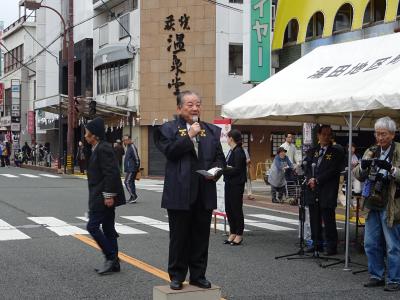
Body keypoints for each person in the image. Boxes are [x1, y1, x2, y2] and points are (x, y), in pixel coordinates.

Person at [154, 90, 226, 290]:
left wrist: (216, 171)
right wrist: (189, 136)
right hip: (179, 192)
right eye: (190, 104)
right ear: (179, 108)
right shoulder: (167, 129)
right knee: (179, 237)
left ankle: (198, 275)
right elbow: (170, 152)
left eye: (197, 104)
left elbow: (220, 158)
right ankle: (177, 275)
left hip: (204, 191)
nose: (195, 108)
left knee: (201, 237)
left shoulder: (211, 131)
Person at [354, 117, 400, 292]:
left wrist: (391, 170)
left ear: (392, 134)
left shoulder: (399, 151)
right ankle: (376, 275)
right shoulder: (371, 150)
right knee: (371, 243)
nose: (380, 138)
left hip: (391, 204)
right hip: (372, 202)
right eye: (377, 134)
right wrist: (364, 166)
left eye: (383, 134)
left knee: (393, 245)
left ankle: (395, 279)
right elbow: (357, 173)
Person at [84, 117, 126, 275]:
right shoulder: (97, 148)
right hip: (102, 194)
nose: (85, 136)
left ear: (94, 135)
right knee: (108, 228)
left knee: (92, 227)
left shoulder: (103, 148)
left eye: (87, 133)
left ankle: (111, 257)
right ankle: (114, 263)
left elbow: (111, 173)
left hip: (103, 196)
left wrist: (108, 195)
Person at [304, 125, 344, 256]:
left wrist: (317, 180)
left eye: (328, 135)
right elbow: (308, 167)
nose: (326, 137)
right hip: (313, 189)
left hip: (327, 190)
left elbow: (333, 170)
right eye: (323, 134)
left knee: (328, 219)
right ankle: (316, 244)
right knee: (314, 218)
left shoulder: (336, 152)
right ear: (318, 136)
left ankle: (332, 246)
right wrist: (310, 179)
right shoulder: (313, 151)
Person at [223, 129, 247, 246]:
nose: (226, 139)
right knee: (229, 208)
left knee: (236, 209)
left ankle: (239, 234)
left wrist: (223, 169)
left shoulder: (239, 151)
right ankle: (232, 232)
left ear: (231, 138)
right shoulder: (231, 151)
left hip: (237, 184)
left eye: (227, 137)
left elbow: (237, 169)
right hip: (229, 182)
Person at [122, 135, 140, 204]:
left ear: (129, 139)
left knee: (127, 182)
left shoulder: (132, 147)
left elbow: (136, 158)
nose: (124, 141)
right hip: (130, 168)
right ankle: (132, 197)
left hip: (132, 168)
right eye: (123, 140)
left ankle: (134, 196)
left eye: (125, 140)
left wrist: (137, 167)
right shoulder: (128, 147)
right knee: (131, 182)